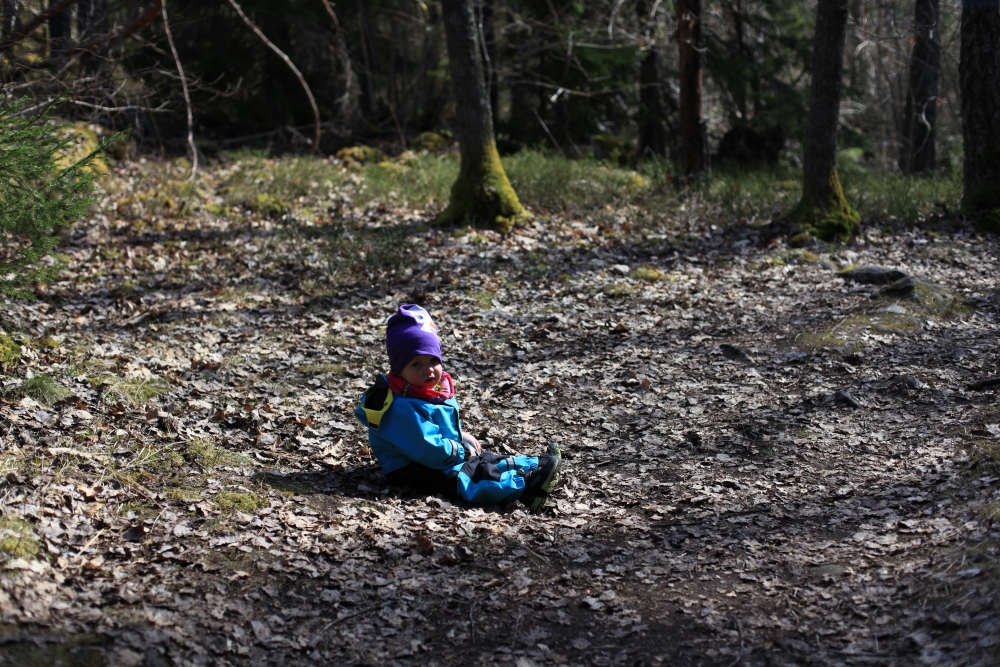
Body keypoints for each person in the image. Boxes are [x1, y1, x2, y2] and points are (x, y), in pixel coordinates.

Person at [354, 304, 561, 511]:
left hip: (433, 454)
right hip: (412, 466)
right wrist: (462, 451)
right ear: (399, 369)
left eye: (433, 360)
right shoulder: (400, 407)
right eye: (416, 364)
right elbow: (427, 447)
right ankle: (527, 489)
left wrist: (459, 435)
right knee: (467, 476)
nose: (428, 370)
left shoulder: (420, 390)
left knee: (484, 458)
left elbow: (434, 427)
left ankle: (536, 466)